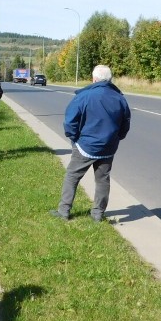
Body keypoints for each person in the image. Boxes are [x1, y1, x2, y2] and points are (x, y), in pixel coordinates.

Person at [50, 64, 131, 223]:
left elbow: (70, 121)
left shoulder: (84, 96)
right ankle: (98, 214)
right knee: (103, 180)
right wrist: (117, 138)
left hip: (85, 146)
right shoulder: (120, 98)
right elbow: (125, 123)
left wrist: (74, 139)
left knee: (72, 176)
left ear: (94, 79)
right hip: (108, 146)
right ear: (110, 79)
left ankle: (64, 211)